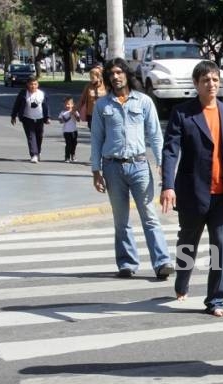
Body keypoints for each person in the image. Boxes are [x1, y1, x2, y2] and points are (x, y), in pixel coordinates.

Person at [160, 61, 223, 317]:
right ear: (196, 84)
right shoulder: (183, 113)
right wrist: (168, 185)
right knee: (188, 243)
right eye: (206, 80)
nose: (211, 84)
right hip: (192, 192)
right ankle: (182, 281)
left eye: (215, 80)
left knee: (221, 247)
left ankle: (217, 300)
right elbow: (170, 151)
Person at [90, 58, 174, 280]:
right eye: (111, 74)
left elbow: (156, 136)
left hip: (139, 166)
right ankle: (127, 263)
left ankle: (162, 261)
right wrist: (95, 170)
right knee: (121, 220)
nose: (115, 77)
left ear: (127, 75)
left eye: (119, 72)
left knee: (149, 216)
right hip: (112, 167)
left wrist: (162, 164)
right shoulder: (102, 105)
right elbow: (97, 138)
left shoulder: (144, 102)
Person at [10, 76, 50, 163]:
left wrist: (47, 117)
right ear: (27, 85)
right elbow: (17, 104)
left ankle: (38, 152)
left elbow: (46, 107)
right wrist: (13, 116)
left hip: (39, 118)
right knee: (31, 137)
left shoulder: (41, 94)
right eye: (31, 84)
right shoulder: (23, 93)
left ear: (38, 84)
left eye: (35, 84)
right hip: (27, 118)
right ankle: (34, 154)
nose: (33, 86)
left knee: (39, 137)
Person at [58, 96, 80, 163]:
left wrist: (75, 115)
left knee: (74, 143)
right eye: (66, 104)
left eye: (69, 104)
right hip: (66, 131)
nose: (67, 105)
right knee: (68, 144)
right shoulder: (63, 113)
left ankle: (73, 155)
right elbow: (61, 121)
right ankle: (67, 157)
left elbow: (78, 120)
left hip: (74, 131)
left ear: (72, 105)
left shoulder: (75, 111)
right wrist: (68, 116)